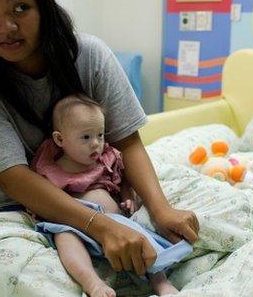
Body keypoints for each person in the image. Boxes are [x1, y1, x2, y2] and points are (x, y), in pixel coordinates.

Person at [0, 0, 199, 294]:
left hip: (101, 190)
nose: (7, 26)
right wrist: (100, 226)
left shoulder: (89, 55)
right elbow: (14, 178)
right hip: (17, 209)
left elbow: (128, 141)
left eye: (21, 7)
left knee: (193, 231)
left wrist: (161, 209)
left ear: (43, 6)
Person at [32, 94, 187, 296]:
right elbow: (43, 199)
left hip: (117, 224)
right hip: (76, 224)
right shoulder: (51, 169)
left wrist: (127, 197)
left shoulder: (107, 158)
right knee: (64, 236)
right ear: (60, 139)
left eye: (100, 135)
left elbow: (123, 180)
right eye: (86, 137)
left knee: (142, 238)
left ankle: (160, 282)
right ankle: (92, 283)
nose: (96, 143)